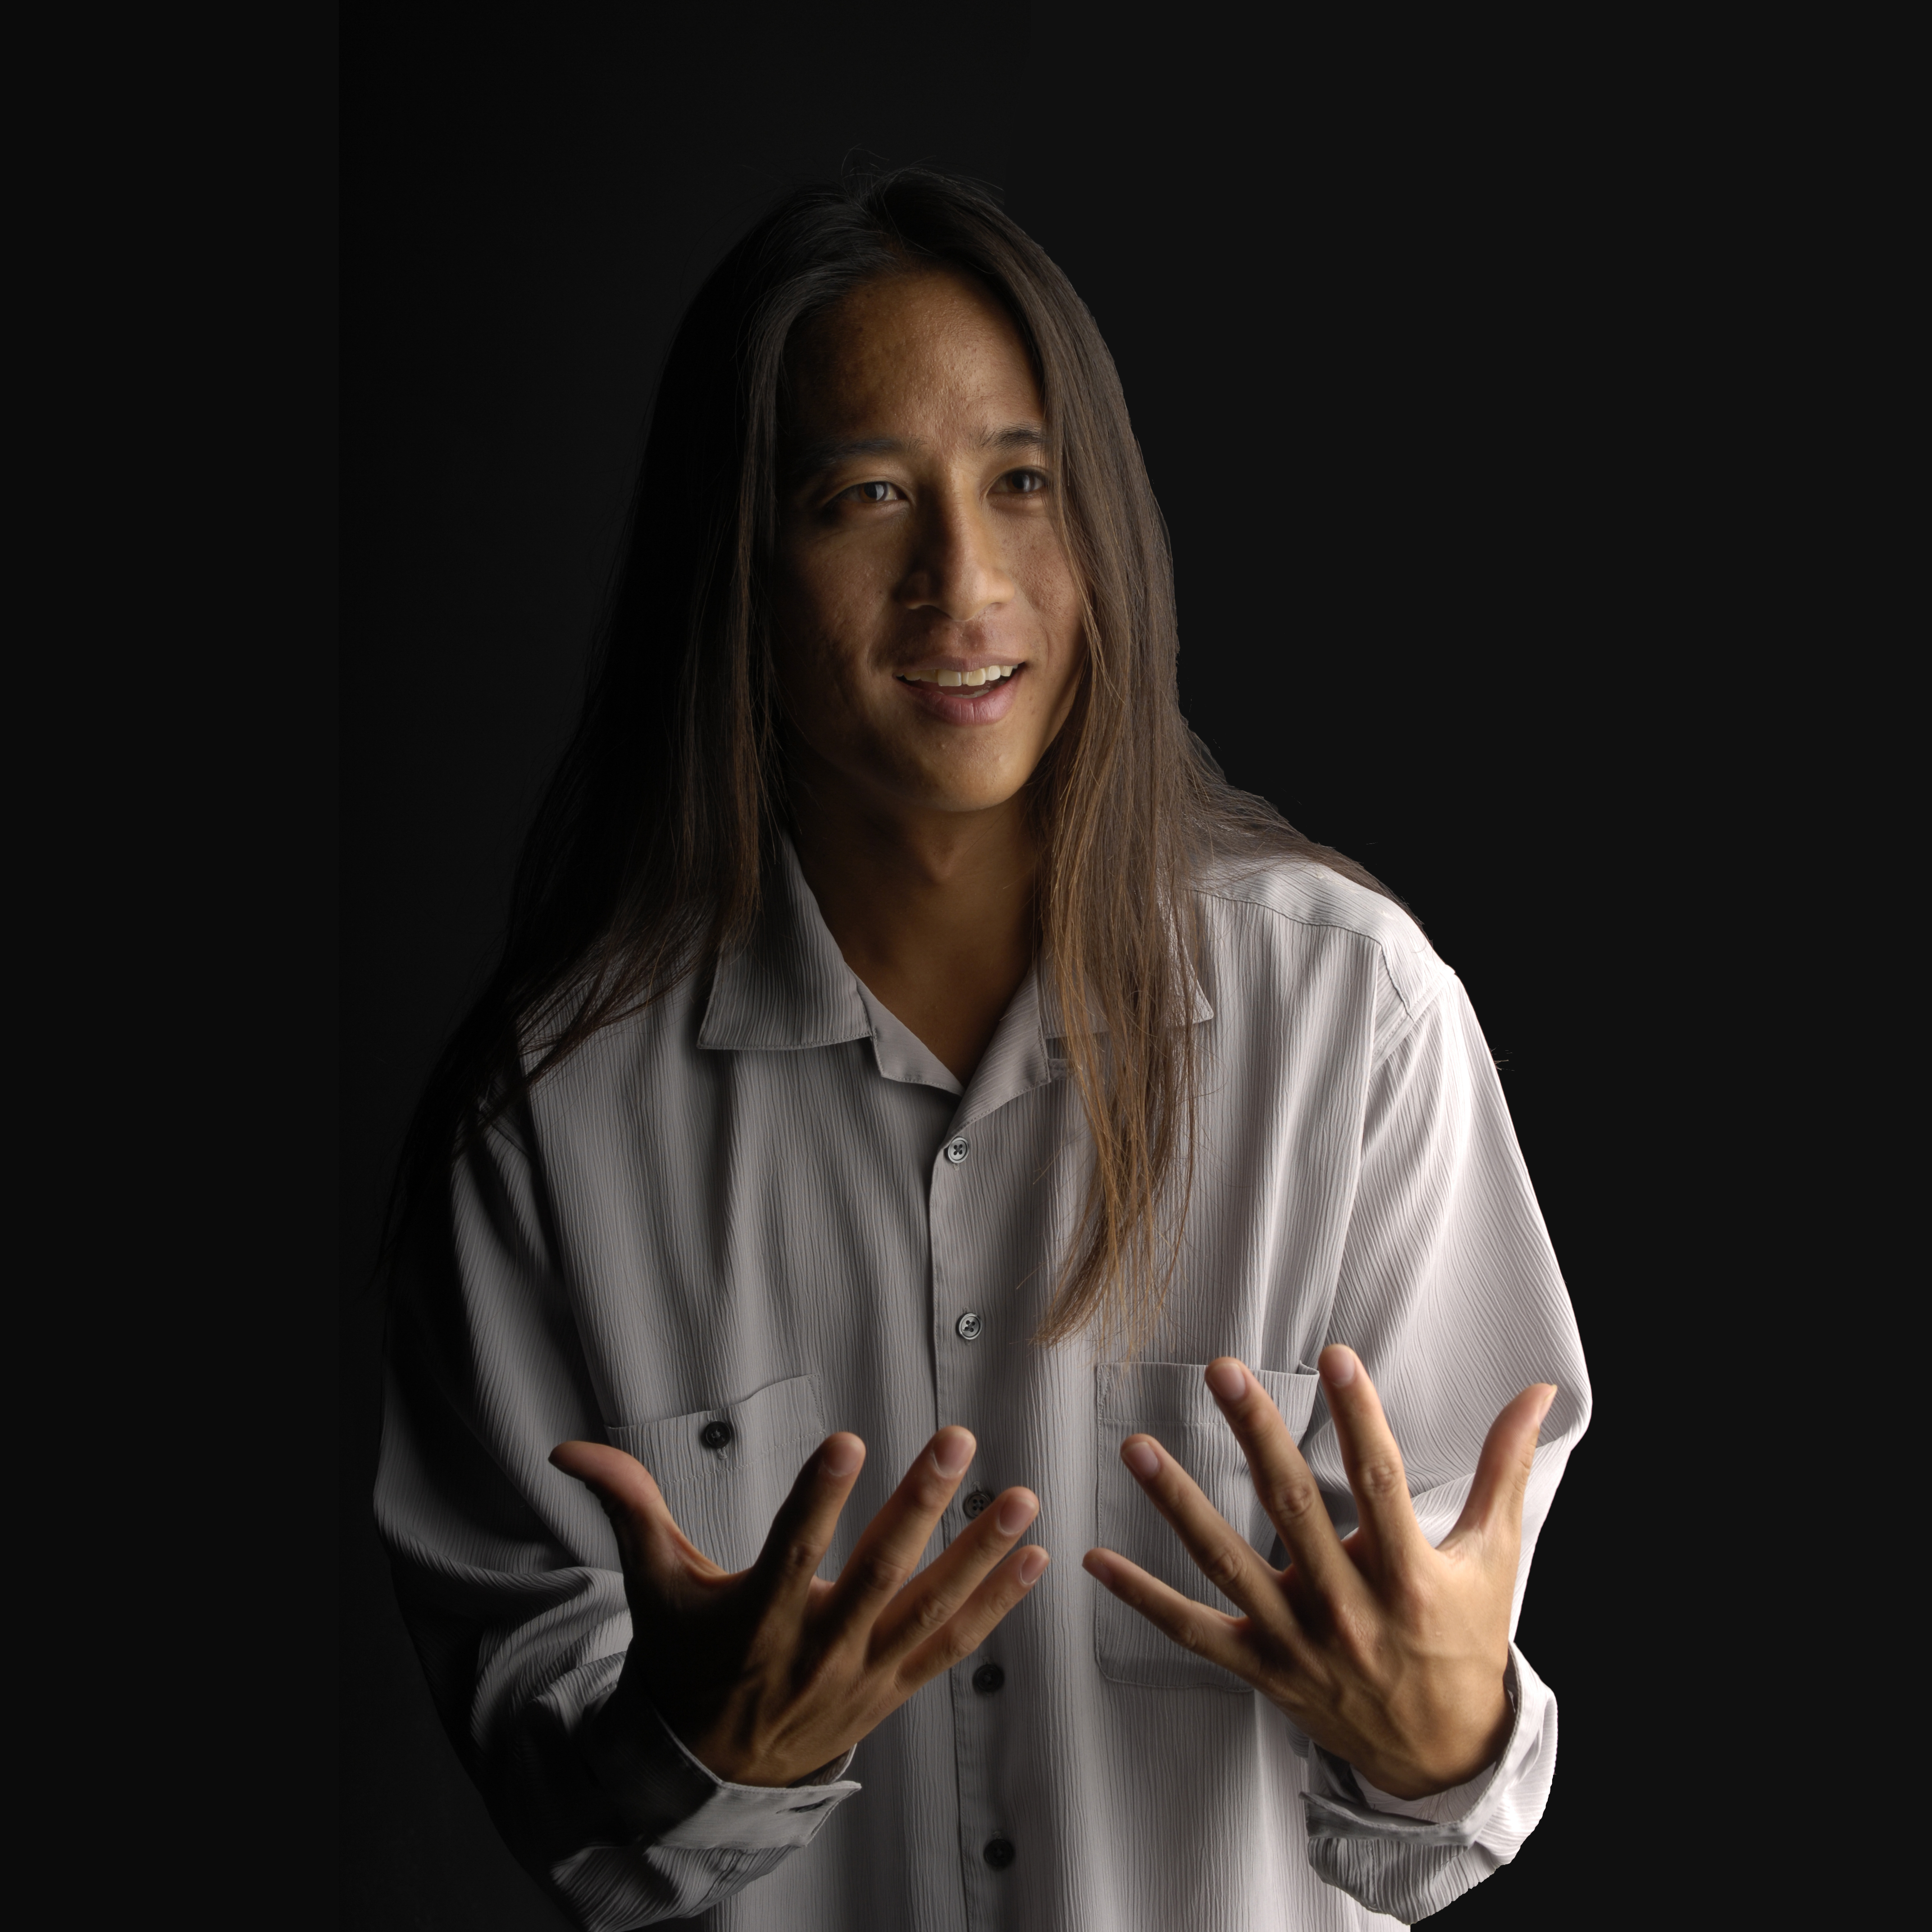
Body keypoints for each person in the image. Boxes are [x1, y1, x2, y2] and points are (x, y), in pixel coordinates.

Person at [374, 167, 1591, 1931]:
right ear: (736, 560)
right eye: (865, 496)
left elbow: (1438, 1818)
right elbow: (561, 1803)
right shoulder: (549, 1123)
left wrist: (1444, 1734)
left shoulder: (1358, 1024)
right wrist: (693, 1752)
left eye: (1022, 484)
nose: (964, 578)